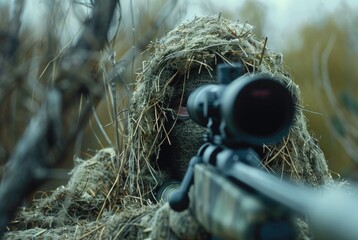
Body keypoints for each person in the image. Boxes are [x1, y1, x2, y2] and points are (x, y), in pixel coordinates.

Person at [4, 16, 332, 239]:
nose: (206, 129)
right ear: (158, 119)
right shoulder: (107, 180)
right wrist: (163, 226)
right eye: (187, 108)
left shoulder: (302, 187)